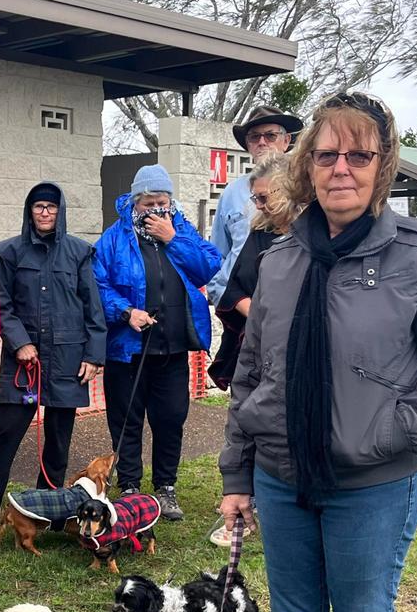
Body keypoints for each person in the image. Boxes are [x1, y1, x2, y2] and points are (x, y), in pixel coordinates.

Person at [217, 92, 417, 612]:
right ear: (307, 166)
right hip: (282, 480)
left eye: (359, 156)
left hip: (373, 486)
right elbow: (251, 375)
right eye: (328, 155)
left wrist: (381, 435)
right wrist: (237, 478)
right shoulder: (280, 261)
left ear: (382, 167)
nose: (342, 168)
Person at [0, 182, 106, 529]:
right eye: (39, 206)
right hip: (24, 361)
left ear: (61, 212)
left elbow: (93, 307)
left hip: (67, 357)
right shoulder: (11, 253)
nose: (45, 212)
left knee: (58, 437)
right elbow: (0, 302)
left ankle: (50, 503)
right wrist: (18, 342)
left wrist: (94, 354)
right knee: (7, 431)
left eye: (52, 207)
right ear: (30, 211)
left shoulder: (79, 252)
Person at [94, 164, 221, 522]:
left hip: (173, 347)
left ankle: (166, 487)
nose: (156, 209)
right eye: (149, 202)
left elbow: (209, 266)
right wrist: (124, 311)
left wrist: (172, 238)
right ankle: (130, 486)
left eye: (162, 201)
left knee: (170, 419)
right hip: (128, 348)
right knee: (126, 419)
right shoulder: (114, 237)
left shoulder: (179, 228)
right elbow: (97, 284)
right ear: (136, 202)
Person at [207, 151, 296, 391]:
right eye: (255, 198)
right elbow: (231, 283)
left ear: (287, 192)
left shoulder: (311, 239)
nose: (258, 206)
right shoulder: (259, 233)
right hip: (254, 342)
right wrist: (255, 313)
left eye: (263, 198)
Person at [207, 106, 303, 305]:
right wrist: (227, 296)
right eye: (254, 137)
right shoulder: (232, 193)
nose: (262, 142)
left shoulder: (304, 187)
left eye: (270, 135)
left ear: (286, 141)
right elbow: (218, 255)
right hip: (240, 305)